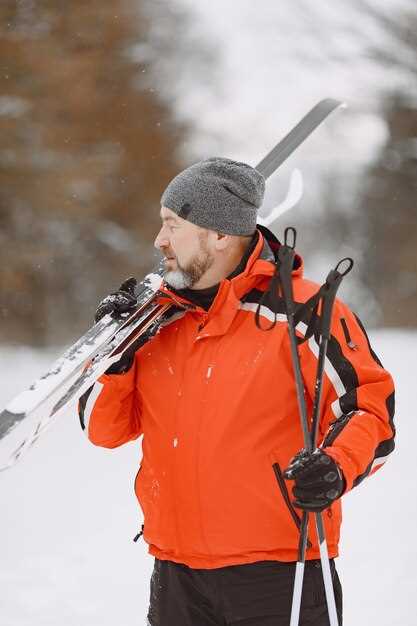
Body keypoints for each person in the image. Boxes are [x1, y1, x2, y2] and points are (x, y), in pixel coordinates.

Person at [79, 157, 395, 626]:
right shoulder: (158, 321)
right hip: (176, 571)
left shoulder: (307, 313)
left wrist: (334, 465)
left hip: (281, 568)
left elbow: (371, 410)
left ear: (219, 234)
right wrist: (116, 361)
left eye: (171, 225)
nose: (158, 240)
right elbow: (104, 431)